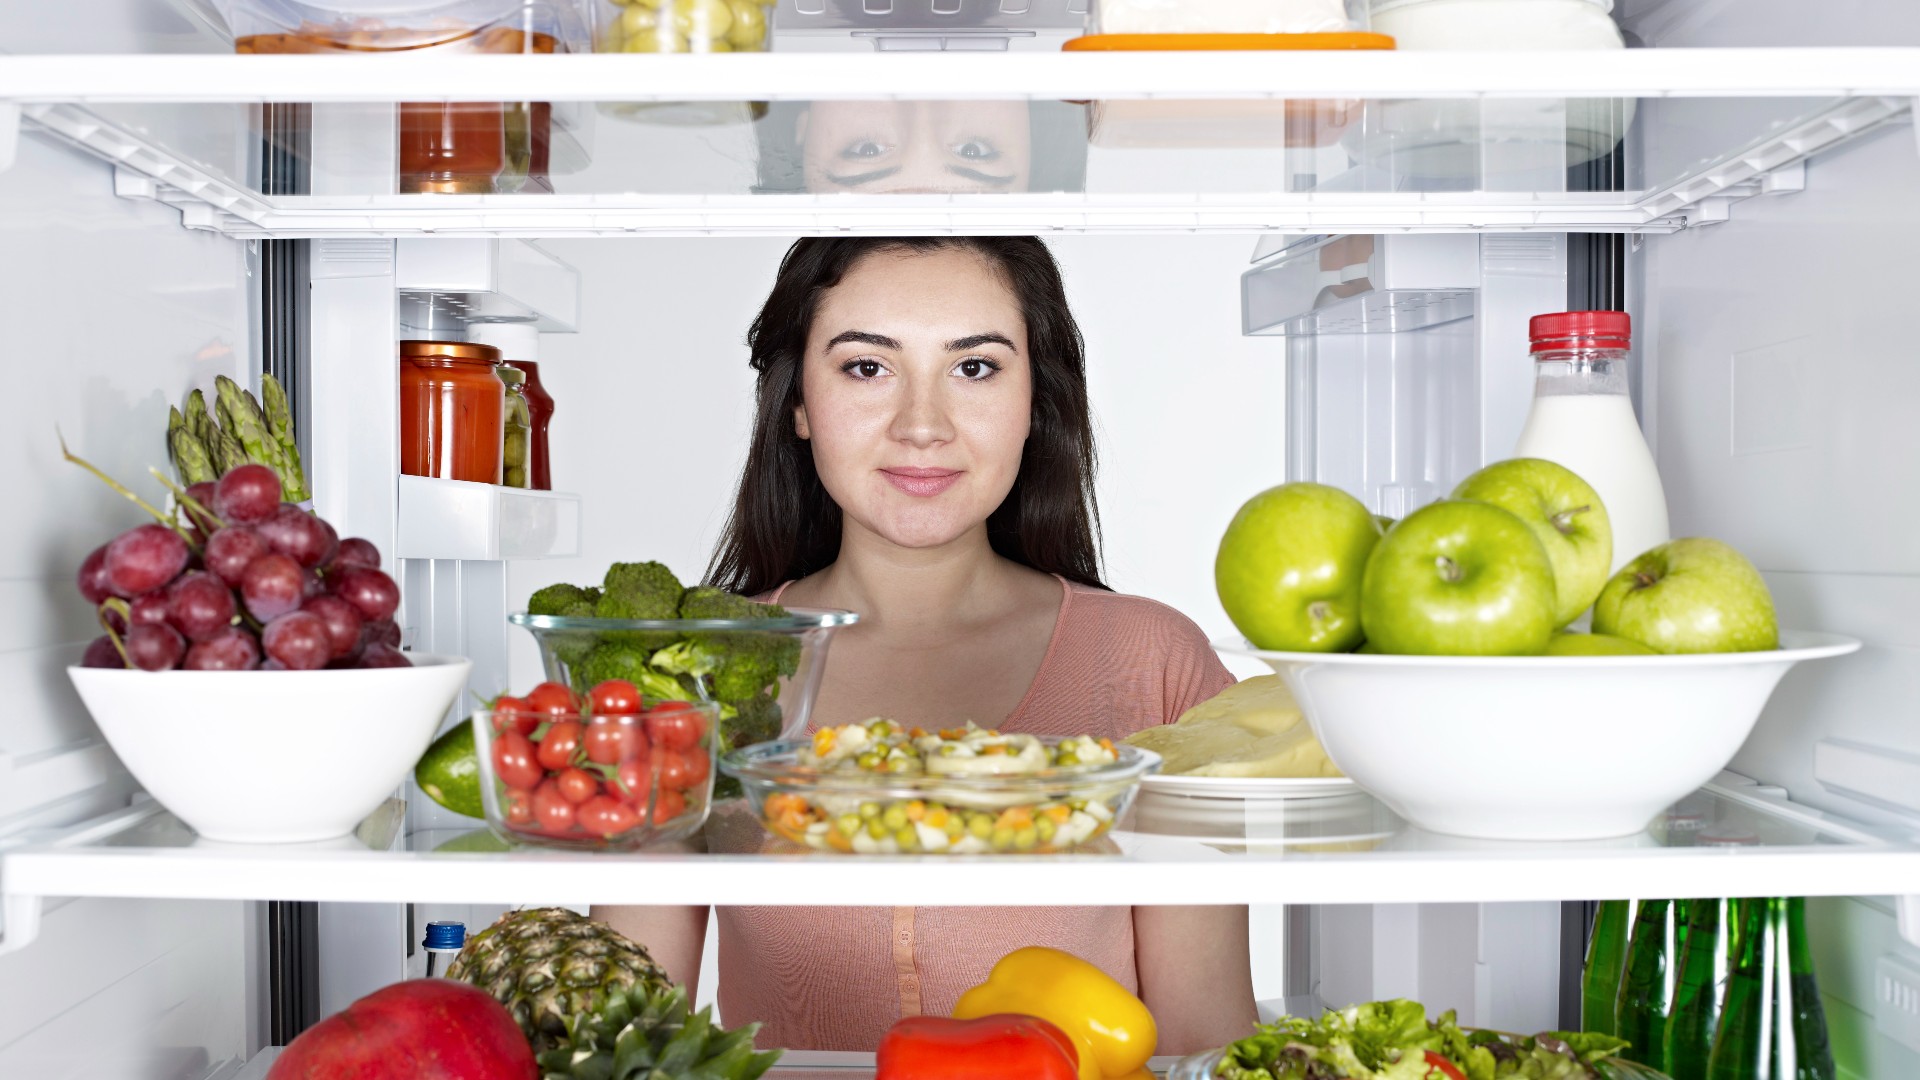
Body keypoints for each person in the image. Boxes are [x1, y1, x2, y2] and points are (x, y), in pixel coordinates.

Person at [595, 236, 1256, 1055]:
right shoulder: (701, 673)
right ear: (797, 401)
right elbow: (631, 1049)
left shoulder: (1157, 662)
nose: (922, 426)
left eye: (974, 368)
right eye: (867, 368)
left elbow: (1207, 1043)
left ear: (1034, 404)